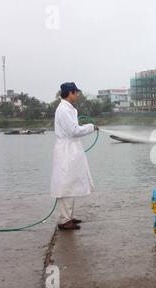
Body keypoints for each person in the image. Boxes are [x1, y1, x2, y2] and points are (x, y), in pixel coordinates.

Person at [50, 82, 99, 231]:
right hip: (66, 149)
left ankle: (68, 217)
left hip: (71, 148)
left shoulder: (68, 108)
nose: (77, 95)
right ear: (70, 93)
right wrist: (91, 127)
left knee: (70, 182)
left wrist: (89, 127)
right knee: (65, 184)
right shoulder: (64, 110)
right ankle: (64, 220)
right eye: (76, 92)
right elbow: (73, 130)